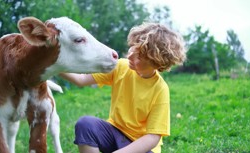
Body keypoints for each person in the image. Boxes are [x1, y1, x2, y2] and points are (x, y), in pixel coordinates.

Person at [60, 22, 186, 153]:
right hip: (114, 133)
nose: (130, 55)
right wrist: (51, 64)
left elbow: (153, 137)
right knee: (86, 124)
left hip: (140, 147)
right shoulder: (120, 66)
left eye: (139, 55)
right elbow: (81, 80)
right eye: (132, 48)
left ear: (156, 63)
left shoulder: (160, 89)